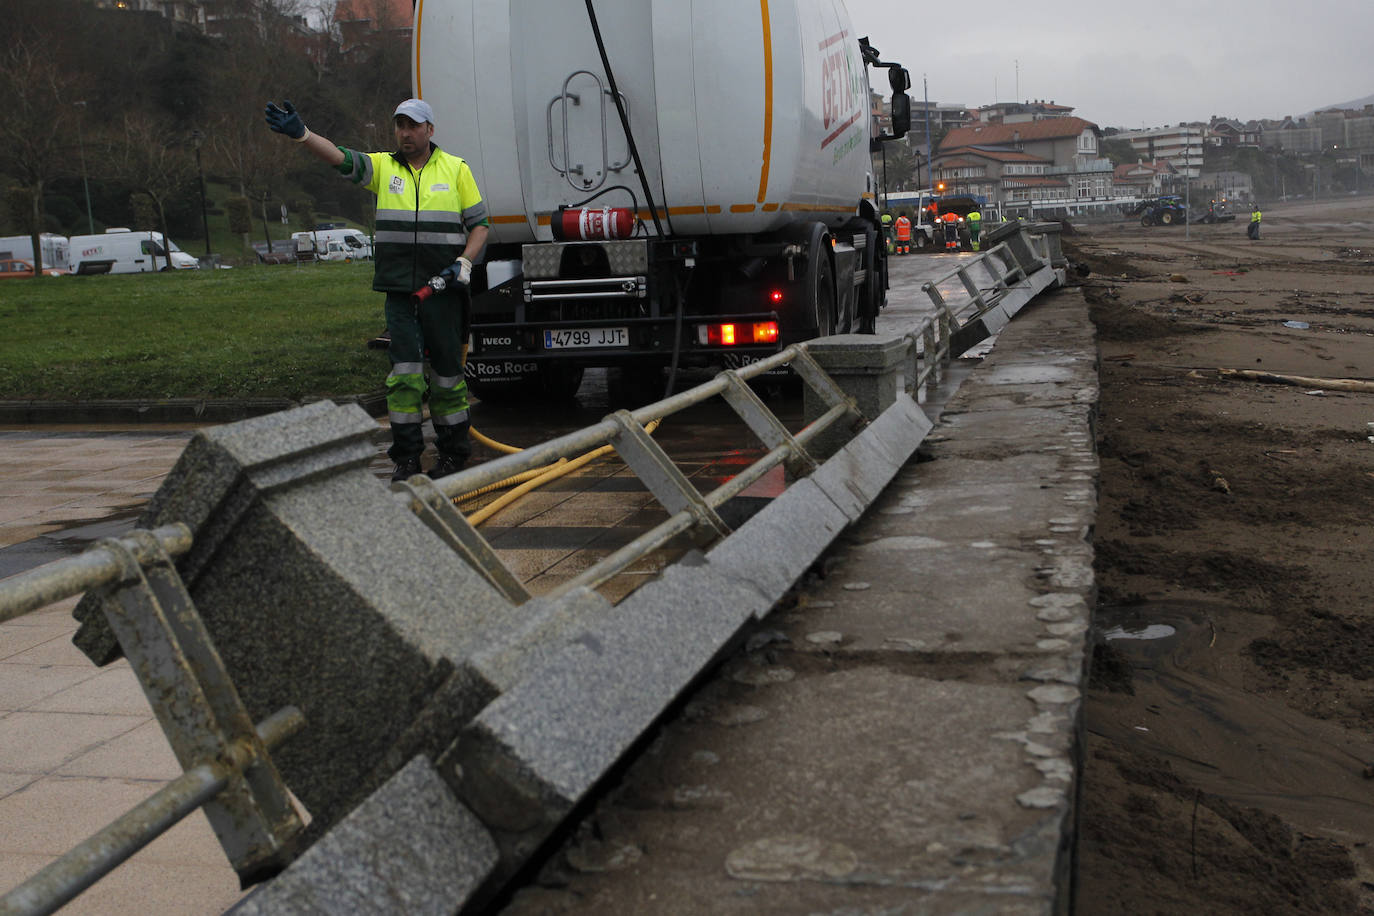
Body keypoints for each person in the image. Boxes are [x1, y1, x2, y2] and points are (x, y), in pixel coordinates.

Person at [265, 98, 490, 482]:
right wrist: (302, 135)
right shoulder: (383, 167)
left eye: (413, 125)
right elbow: (338, 157)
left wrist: (465, 262)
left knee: (447, 376)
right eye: (400, 125)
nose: (405, 132)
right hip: (401, 290)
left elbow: (480, 225)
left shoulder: (456, 170)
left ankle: (452, 454)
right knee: (404, 377)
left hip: (444, 291)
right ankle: (406, 459)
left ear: (429, 130)